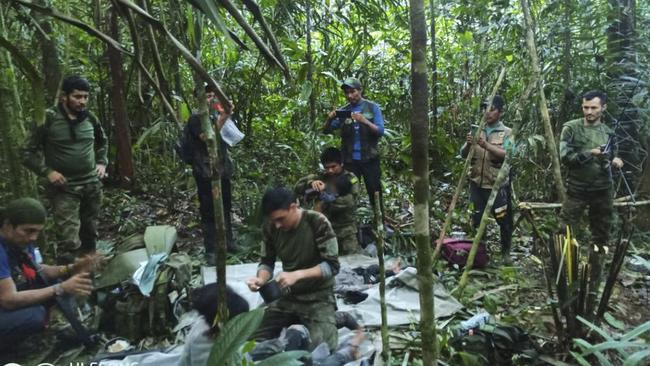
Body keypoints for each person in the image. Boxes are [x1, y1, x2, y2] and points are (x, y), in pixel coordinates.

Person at [22, 75, 108, 265]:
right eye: (77, 97)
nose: (82, 101)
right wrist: (47, 172)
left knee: (90, 232)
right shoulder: (48, 119)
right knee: (69, 240)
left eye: (85, 96)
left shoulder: (90, 118)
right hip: (65, 188)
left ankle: (89, 278)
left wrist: (101, 163)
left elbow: (102, 142)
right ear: (64, 97)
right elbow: (26, 152)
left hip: (91, 185)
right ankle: (67, 283)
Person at [0, 198, 101, 351]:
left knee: (56, 281)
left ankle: (64, 323)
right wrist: (60, 288)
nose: (33, 237)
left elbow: (37, 269)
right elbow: (8, 300)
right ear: (7, 225)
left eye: (37, 232)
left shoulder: (18, 241)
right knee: (35, 316)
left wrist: (72, 267)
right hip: (6, 299)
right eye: (28, 231)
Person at [246, 187, 340, 351]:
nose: (277, 225)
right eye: (273, 220)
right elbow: (267, 262)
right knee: (247, 337)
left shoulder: (316, 222)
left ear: (294, 206)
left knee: (322, 348)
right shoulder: (271, 226)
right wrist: (261, 279)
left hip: (318, 297)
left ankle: (337, 318)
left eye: (281, 219)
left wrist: (297, 275)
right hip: (287, 296)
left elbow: (332, 266)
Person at [559, 90, 623, 247]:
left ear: (603, 108)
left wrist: (616, 161)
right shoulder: (571, 128)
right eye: (585, 107)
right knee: (564, 232)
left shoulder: (609, 133)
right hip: (577, 189)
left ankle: (596, 270)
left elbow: (612, 157)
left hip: (603, 189)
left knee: (601, 236)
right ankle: (562, 269)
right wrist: (590, 153)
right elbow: (565, 157)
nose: (589, 111)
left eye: (594, 108)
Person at [186, 85, 237, 265]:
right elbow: (208, 137)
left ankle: (228, 242)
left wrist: (226, 115)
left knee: (226, 206)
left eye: (213, 96)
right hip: (205, 173)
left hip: (221, 170)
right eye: (207, 96)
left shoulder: (215, 115)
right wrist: (224, 116)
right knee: (208, 211)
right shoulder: (195, 119)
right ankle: (211, 250)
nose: (211, 99)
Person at [460, 95, 514, 258]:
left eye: (491, 109)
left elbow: (508, 155)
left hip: (497, 185)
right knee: (477, 221)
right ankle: (481, 255)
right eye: (484, 108)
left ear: (500, 112)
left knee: (503, 220)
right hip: (477, 183)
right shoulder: (478, 129)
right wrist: (469, 143)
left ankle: (505, 253)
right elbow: (463, 154)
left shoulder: (507, 133)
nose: (487, 112)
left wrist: (486, 145)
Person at [323, 77, 385, 211]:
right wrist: (329, 119)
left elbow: (380, 131)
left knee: (375, 191)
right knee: (348, 191)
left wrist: (365, 121)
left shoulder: (372, 107)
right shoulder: (344, 111)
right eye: (347, 93)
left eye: (353, 91)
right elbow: (326, 130)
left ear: (360, 90)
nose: (350, 95)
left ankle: (380, 222)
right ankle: (350, 223)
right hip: (350, 162)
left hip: (370, 160)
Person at [295, 147, 361, 255]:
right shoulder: (321, 176)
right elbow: (298, 187)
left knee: (352, 263)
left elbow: (350, 202)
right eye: (327, 167)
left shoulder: (351, 178)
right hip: (323, 230)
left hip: (345, 231)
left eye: (333, 167)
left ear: (341, 163)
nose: (330, 170)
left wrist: (327, 192)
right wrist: (311, 183)